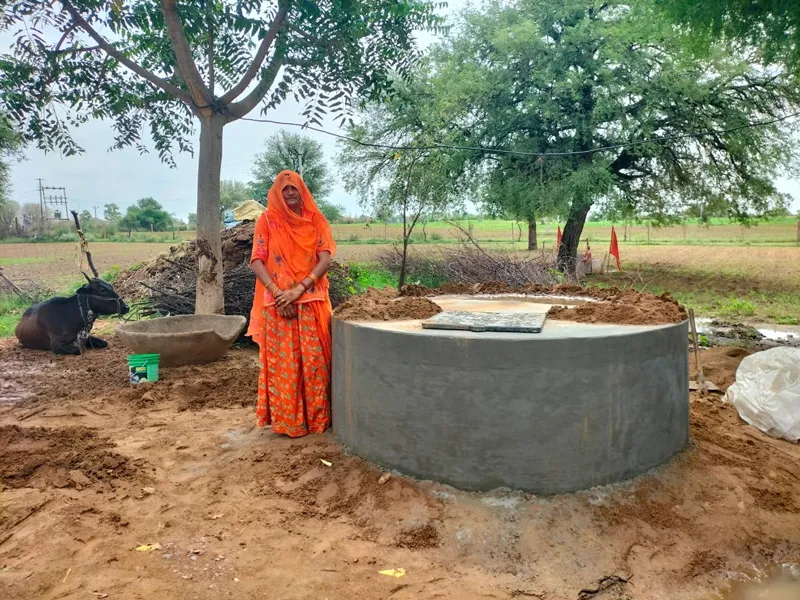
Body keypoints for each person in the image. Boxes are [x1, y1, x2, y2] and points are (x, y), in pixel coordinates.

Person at [247, 170, 336, 437]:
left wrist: (298, 290)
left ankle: (317, 420)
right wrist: (277, 293)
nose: (289, 193)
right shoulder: (267, 221)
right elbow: (257, 259)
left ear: (302, 191)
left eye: (293, 188)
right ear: (277, 192)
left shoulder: (316, 221)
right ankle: (289, 422)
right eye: (284, 189)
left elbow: (325, 258)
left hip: (310, 300)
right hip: (277, 304)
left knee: (314, 365)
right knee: (284, 366)